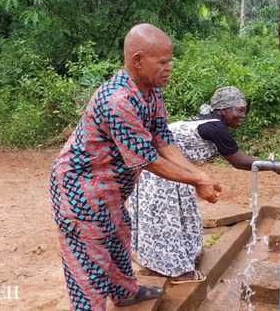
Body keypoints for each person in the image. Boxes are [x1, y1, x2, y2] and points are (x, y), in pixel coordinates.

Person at [49, 23, 221, 310]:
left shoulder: (151, 92)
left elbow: (163, 140)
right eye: (163, 62)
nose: (169, 68)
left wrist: (199, 175)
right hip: (80, 191)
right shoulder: (118, 100)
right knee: (89, 263)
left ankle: (125, 292)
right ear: (138, 60)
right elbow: (148, 159)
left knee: (119, 235)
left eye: (170, 62)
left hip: (110, 190)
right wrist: (196, 181)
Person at [128, 86, 254, 284]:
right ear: (223, 110)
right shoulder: (215, 127)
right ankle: (178, 272)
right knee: (168, 222)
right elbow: (238, 161)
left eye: (244, 110)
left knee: (184, 217)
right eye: (239, 110)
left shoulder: (209, 123)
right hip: (163, 174)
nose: (243, 115)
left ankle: (174, 260)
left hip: (177, 174)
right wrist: (277, 166)